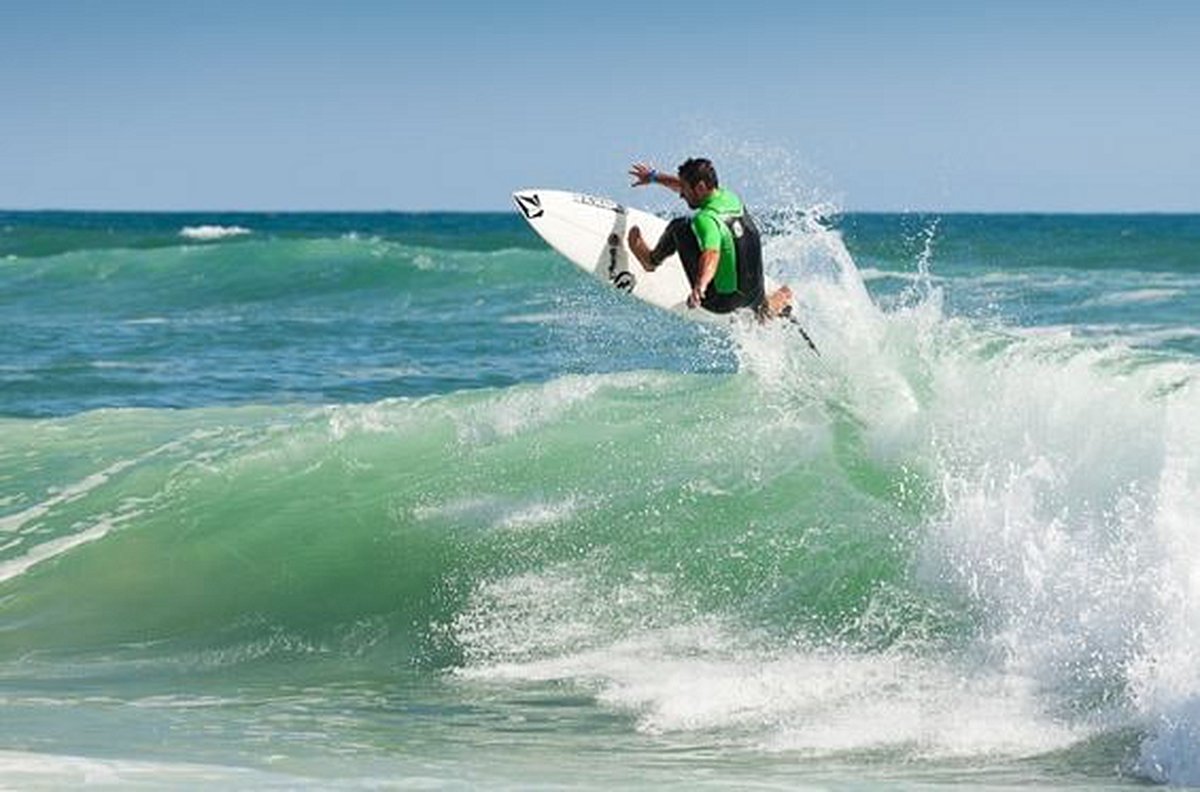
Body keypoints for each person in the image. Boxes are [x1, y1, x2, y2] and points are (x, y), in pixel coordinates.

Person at [626, 158, 792, 319]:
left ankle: (650, 260)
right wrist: (654, 177)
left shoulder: (706, 218)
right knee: (733, 239)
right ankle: (764, 308)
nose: (681, 195)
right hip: (753, 295)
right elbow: (684, 185)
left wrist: (700, 286)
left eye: (684, 189)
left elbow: (711, 253)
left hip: (721, 301)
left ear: (700, 187)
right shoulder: (730, 198)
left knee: (681, 227)